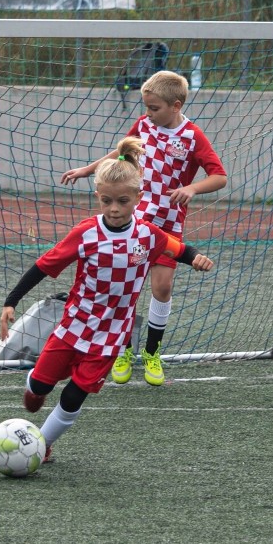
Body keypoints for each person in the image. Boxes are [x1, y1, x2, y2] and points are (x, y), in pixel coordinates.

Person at [0, 136, 214, 462]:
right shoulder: (85, 233)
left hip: (110, 337)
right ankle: (35, 386)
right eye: (106, 201)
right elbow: (44, 266)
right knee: (37, 393)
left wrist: (197, 258)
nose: (114, 209)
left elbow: (180, 250)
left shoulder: (148, 235)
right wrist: (11, 300)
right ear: (98, 197)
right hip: (73, 326)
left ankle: (39, 447)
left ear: (138, 198)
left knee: (74, 396)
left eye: (123, 201)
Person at [61, 70, 227, 386]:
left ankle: (152, 353)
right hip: (133, 224)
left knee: (161, 287)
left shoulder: (193, 137)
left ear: (175, 105)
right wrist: (89, 169)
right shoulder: (143, 125)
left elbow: (219, 176)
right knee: (125, 287)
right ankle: (121, 350)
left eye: (154, 108)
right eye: (147, 107)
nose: (148, 114)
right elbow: (122, 153)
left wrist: (191, 189)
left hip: (167, 226)